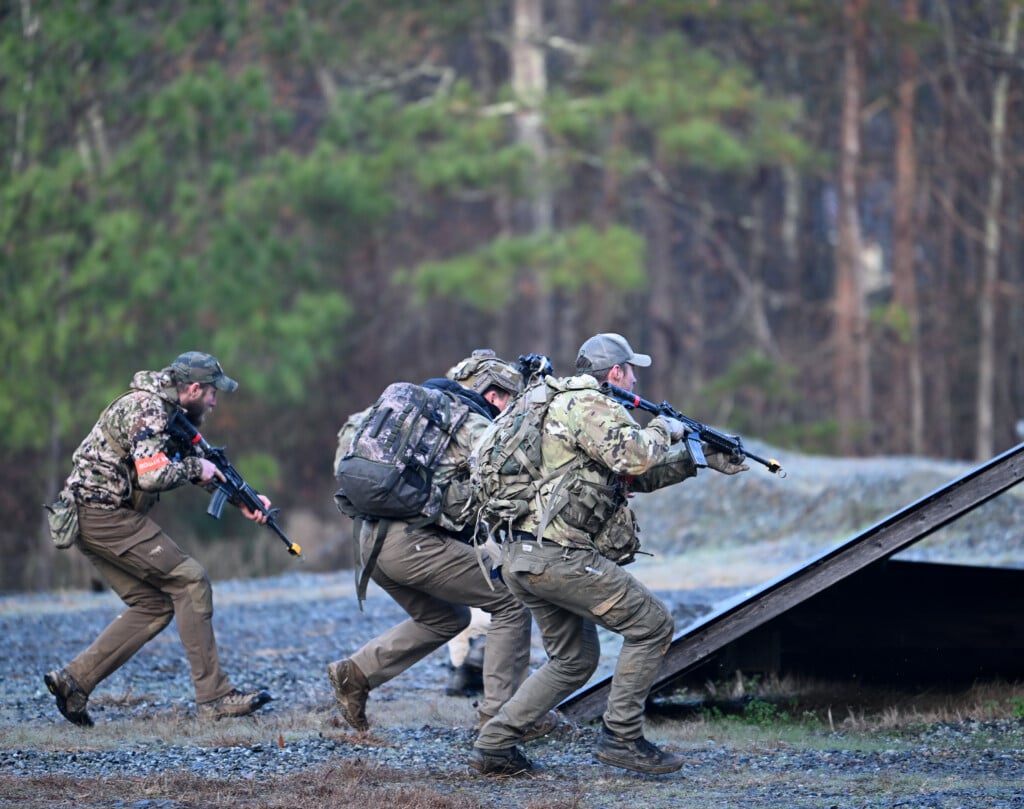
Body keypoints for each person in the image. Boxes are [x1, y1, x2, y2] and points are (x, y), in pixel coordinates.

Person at [470, 333, 748, 776]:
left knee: (573, 660)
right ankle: (622, 737)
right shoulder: (587, 403)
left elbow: (627, 477)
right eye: (631, 369)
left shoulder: (555, 405)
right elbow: (635, 455)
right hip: (558, 555)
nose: (635, 378)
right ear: (616, 372)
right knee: (653, 625)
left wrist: (697, 458)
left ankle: (495, 745)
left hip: (523, 556)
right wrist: (664, 427)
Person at [326, 350, 558, 740]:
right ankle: (504, 719)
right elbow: (521, 475)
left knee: (448, 618)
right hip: (410, 544)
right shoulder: (470, 424)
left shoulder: (402, 415)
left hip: (369, 542)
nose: (506, 408)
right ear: (493, 394)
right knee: (512, 598)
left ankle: (356, 673)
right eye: (506, 399)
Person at [44, 352, 275, 727]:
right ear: (194, 388)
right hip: (102, 514)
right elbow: (154, 475)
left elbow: (205, 460)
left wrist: (245, 501)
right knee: (190, 579)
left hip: (91, 515)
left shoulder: (171, 412)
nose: (216, 402)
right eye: (213, 393)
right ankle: (215, 696)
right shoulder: (149, 409)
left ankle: (74, 682)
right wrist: (194, 468)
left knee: (153, 605)